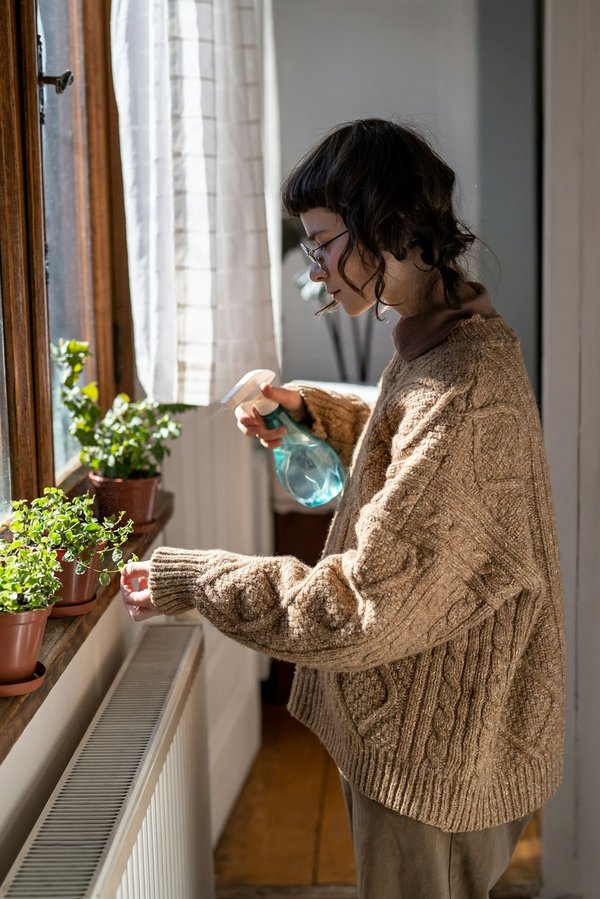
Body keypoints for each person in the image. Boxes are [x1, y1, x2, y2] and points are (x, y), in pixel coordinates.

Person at [121, 119, 565, 899]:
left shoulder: (462, 387)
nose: (317, 269)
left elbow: (358, 605)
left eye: (323, 243)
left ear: (385, 228)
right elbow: (426, 477)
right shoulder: (450, 345)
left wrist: (193, 578)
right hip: (439, 736)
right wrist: (315, 412)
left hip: (431, 760)